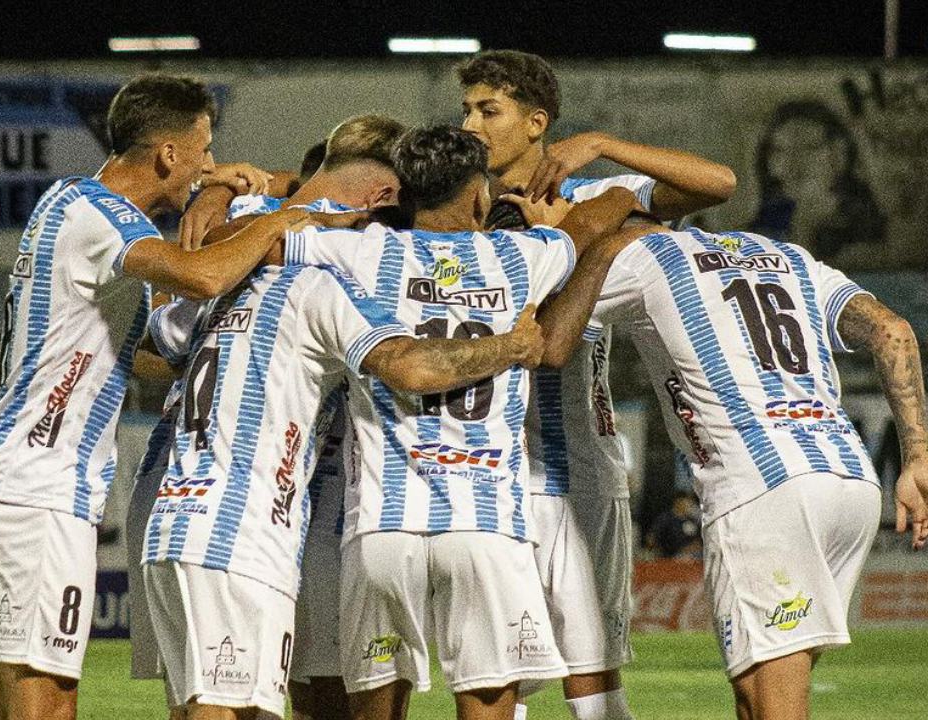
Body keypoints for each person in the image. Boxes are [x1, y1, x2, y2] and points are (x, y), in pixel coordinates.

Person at [0, 73, 308, 720]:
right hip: (37, 483)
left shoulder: (72, 204)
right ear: (168, 153)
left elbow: (134, 354)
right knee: (46, 708)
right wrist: (284, 220)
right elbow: (201, 276)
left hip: (15, 477)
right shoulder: (106, 219)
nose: (209, 164)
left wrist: (224, 184)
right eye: (203, 151)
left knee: (20, 707)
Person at [283, 124, 637, 720]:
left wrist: (333, 221)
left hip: (380, 528)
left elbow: (263, 234)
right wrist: (600, 197)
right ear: (479, 195)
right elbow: (598, 220)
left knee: (370, 707)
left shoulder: (360, 252)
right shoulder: (526, 255)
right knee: (487, 702)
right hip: (485, 526)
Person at [539, 219, 928, 720]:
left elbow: (552, 327)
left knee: (772, 703)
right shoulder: (791, 257)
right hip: (851, 479)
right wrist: (919, 460)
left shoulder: (649, 256)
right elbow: (893, 331)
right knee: (761, 694)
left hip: (763, 489)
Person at [141, 247, 548, 720]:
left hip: (172, 518)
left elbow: (150, 345)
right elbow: (409, 366)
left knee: (196, 704)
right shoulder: (318, 287)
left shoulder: (220, 291)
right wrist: (512, 346)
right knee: (230, 707)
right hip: (242, 531)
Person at [458, 48, 736, 720]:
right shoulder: (450, 207)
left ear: (535, 123)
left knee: (593, 691)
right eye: (465, 109)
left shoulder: (591, 201)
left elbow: (716, 183)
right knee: (492, 686)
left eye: (487, 110)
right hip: (484, 478)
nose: (469, 124)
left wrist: (606, 144)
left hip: (584, 475)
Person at [123, 116, 407, 719]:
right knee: (256, 701)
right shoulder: (343, 264)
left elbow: (151, 350)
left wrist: (224, 191)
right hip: (249, 509)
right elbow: (404, 364)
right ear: (384, 197)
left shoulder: (230, 251)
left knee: (219, 698)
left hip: (171, 492)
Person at [749, 100, 886, 261]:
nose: (790, 165)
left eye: (808, 148)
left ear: (839, 154)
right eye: (779, 150)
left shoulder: (870, 234)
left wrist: (804, 228)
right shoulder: (759, 232)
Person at [647, 492, 702, 560]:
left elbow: (698, 540)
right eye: (683, 502)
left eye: (687, 502)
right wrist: (654, 550)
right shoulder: (666, 518)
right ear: (677, 502)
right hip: (668, 555)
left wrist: (690, 548)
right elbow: (652, 536)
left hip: (689, 554)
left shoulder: (691, 519)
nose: (686, 504)